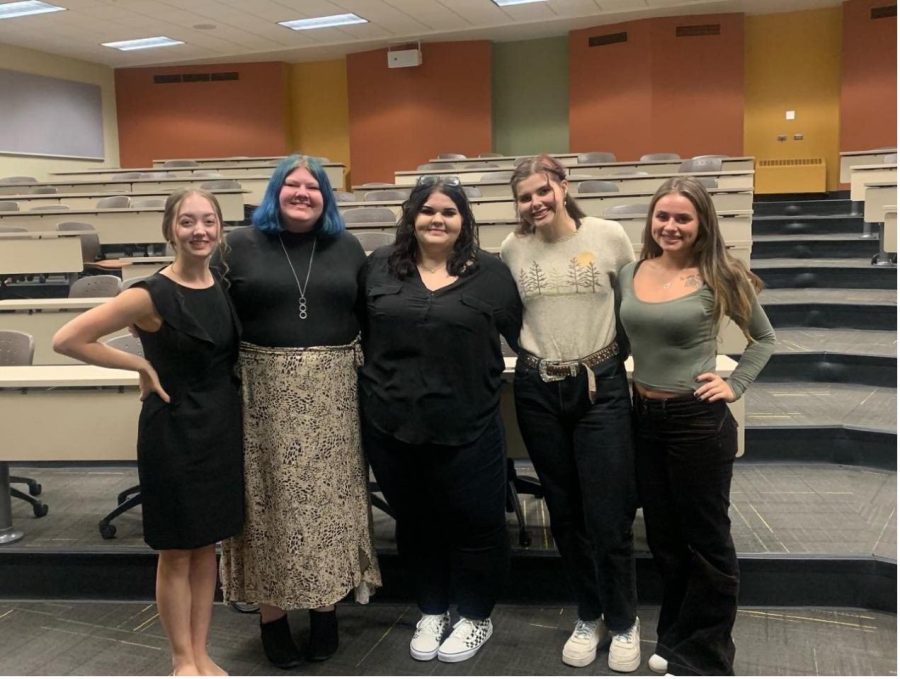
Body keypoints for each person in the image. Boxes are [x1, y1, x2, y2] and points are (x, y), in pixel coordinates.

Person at [53, 189, 243, 676]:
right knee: (177, 550)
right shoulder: (148, 293)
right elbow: (68, 339)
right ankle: (181, 659)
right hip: (174, 430)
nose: (199, 230)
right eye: (187, 221)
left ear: (220, 226)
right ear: (170, 229)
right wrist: (138, 362)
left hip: (219, 426)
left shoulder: (220, 281)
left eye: (208, 220)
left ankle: (202, 651)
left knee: (207, 546)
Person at [214, 154, 381, 669]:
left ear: (326, 196)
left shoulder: (346, 246)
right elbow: (190, 291)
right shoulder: (237, 245)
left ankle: (325, 607)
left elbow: (369, 316)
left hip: (333, 394)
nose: (302, 192)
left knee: (330, 504)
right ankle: (272, 616)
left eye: (313, 185)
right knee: (271, 507)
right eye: (292, 184)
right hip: (262, 394)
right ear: (274, 192)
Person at [359, 175, 521, 664]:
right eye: (428, 210)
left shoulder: (490, 272)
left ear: (463, 221)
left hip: (467, 424)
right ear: (411, 216)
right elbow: (359, 330)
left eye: (449, 212)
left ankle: (474, 615)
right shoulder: (378, 269)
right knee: (416, 523)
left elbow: (524, 335)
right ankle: (431, 608)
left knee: (478, 524)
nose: (437, 219)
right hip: (392, 424)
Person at [618, 176, 775, 676]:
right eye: (662, 216)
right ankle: (675, 632)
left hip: (695, 420)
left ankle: (706, 653)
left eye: (683, 217)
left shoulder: (719, 274)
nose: (670, 226)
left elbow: (764, 339)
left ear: (702, 223)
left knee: (705, 540)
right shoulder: (630, 271)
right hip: (643, 418)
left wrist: (735, 385)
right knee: (664, 538)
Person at [499, 154, 640, 672]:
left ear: (562, 186)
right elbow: (512, 315)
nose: (535, 203)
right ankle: (590, 611)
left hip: (599, 385)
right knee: (564, 509)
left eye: (542, 191)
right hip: (539, 387)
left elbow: (633, 307)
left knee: (607, 512)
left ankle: (624, 619)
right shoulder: (513, 248)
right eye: (524, 197)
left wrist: (609, 362)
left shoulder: (608, 235)